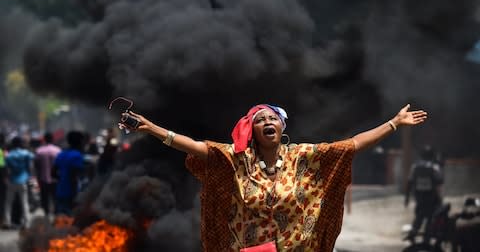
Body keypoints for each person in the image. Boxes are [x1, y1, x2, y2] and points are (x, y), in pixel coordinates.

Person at [126, 103, 427, 251]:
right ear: (252, 130)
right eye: (261, 120)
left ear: (282, 127)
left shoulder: (304, 156)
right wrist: (151, 128)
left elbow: (352, 145)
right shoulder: (236, 159)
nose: (268, 122)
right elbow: (194, 147)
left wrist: (394, 123)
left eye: (273, 118)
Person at [404, 144, 443, 243]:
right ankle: (427, 238)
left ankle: (413, 232)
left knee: (419, 216)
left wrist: (407, 198)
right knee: (430, 218)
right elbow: (438, 185)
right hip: (432, 198)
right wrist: (440, 199)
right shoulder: (434, 167)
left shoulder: (415, 167)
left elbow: (410, 183)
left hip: (419, 197)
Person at [2, 136, 34, 229]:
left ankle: (7, 222)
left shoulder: (8, 155)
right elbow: (30, 166)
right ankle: (27, 223)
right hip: (23, 180)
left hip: (12, 180)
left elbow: (7, 169)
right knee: (24, 202)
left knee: (8, 203)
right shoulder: (26, 154)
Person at [52, 131, 85, 216]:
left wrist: (62, 179)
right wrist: (75, 196)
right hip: (71, 194)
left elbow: (53, 173)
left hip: (60, 191)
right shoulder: (77, 156)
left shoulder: (61, 154)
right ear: (80, 142)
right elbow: (73, 176)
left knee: (61, 221)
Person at [35, 132, 61, 218]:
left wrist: (37, 177)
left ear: (44, 139)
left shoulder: (39, 151)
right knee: (55, 199)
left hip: (43, 179)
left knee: (44, 199)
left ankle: (46, 215)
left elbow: (37, 166)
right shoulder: (58, 150)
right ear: (53, 139)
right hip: (56, 179)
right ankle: (56, 217)